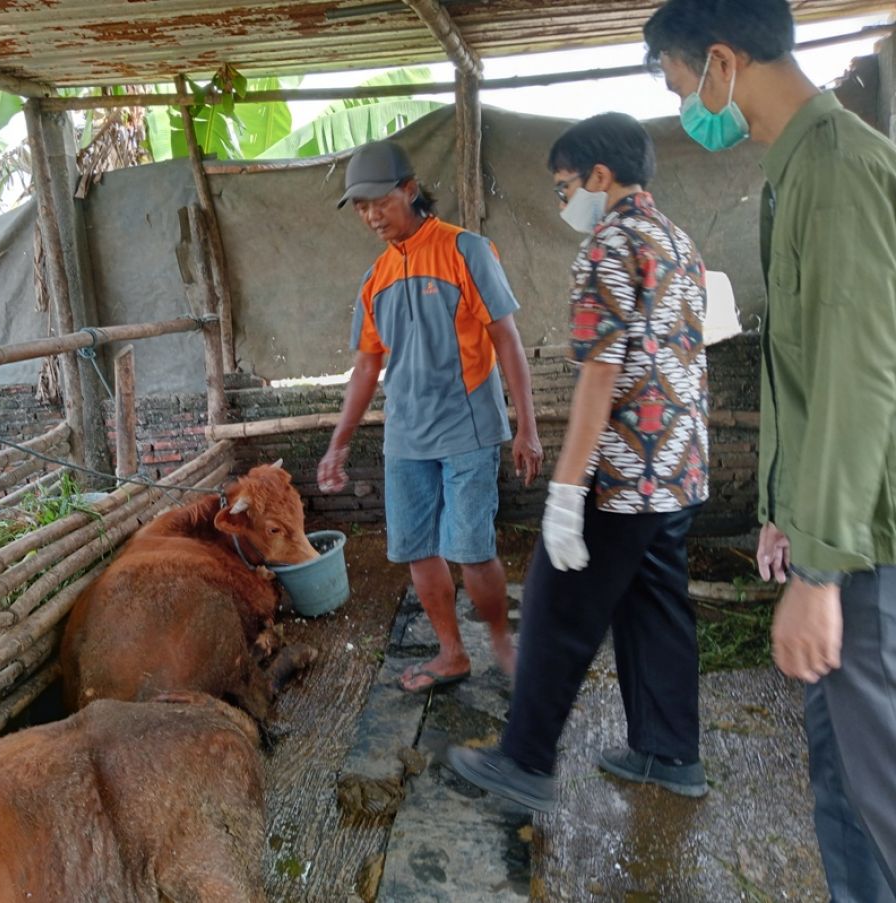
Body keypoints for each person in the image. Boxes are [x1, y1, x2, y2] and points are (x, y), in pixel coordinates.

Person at [642, 2, 896, 898]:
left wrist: (821, 574)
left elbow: (858, 377)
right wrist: (783, 512)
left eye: (681, 86)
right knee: (840, 784)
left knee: (883, 790)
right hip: (835, 533)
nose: (689, 109)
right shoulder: (795, 173)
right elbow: (802, 364)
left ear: (720, 60)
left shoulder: (835, 169)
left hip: (865, 550)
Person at [449, 112, 711, 811]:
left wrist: (567, 491)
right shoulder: (679, 242)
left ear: (601, 175)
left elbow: (602, 372)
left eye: (567, 186)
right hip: (679, 467)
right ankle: (668, 751)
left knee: (556, 608)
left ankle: (525, 760)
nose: (565, 202)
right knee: (657, 606)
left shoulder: (607, 245)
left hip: (624, 471)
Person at [317, 139, 542, 691]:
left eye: (379, 201)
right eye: (361, 207)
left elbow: (507, 340)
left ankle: (501, 642)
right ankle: (451, 653)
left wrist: (526, 427)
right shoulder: (375, 281)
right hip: (406, 437)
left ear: (410, 190)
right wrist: (339, 441)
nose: (371, 215)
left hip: (468, 426)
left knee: (472, 549)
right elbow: (366, 370)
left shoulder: (466, 251)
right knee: (418, 549)